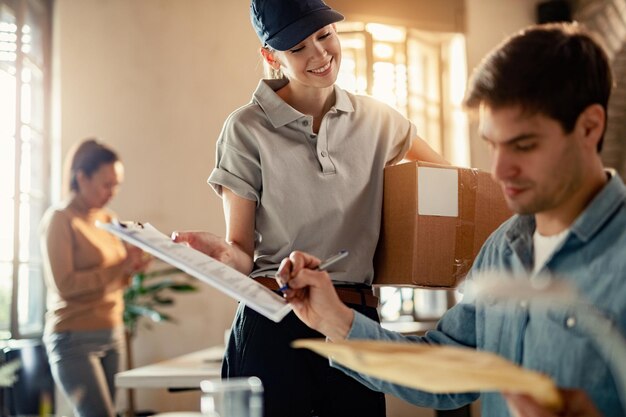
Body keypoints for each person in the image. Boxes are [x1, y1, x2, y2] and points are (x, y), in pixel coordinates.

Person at [276, 22, 625, 417]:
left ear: (590, 127)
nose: (501, 170)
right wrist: (336, 319)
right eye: (492, 145)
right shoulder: (502, 248)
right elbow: (448, 368)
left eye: (524, 145)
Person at [171, 0, 447, 415]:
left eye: (324, 36)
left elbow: (449, 185)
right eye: (298, 48)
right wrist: (219, 255)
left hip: (353, 322)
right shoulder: (246, 128)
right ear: (271, 57)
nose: (319, 55)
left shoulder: (379, 120)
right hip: (274, 323)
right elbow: (242, 254)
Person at [40, 139, 150, 417]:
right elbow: (65, 285)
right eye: (106, 184)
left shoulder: (109, 219)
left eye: (117, 185)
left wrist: (134, 266)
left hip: (112, 332)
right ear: (82, 178)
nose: (112, 192)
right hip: (73, 336)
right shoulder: (61, 220)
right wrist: (121, 267)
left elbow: (117, 277)